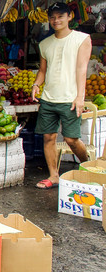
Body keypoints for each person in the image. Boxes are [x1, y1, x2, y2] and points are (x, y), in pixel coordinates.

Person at [32, 2, 91, 189]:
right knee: (48, 138)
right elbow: (43, 70)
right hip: (49, 98)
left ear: (69, 17)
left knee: (72, 139)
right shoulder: (44, 44)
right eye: (52, 17)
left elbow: (82, 69)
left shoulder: (82, 39)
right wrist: (36, 84)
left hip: (70, 98)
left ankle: (87, 167)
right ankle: (54, 175)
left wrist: (80, 96)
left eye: (60, 16)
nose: (56, 20)